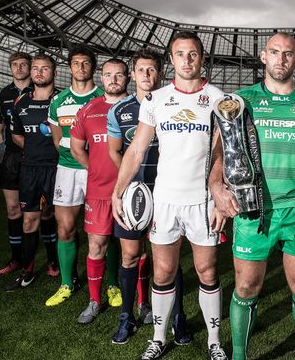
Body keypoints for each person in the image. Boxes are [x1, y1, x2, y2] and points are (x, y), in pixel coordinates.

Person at [209, 32, 295, 360]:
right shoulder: (240, 101)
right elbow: (221, 151)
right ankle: (239, 356)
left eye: (288, 54)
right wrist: (215, 187)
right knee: (246, 287)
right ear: (263, 56)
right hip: (253, 210)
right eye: (275, 52)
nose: (281, 59)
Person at [112, 32, 227, 360]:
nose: (187, 61)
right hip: (164, 200)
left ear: (202, 58)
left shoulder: (218, 98)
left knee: (207, 270)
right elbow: (135, 150)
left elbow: (221, 152)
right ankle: (158, 338)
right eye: (180, 54)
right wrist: (118, 192)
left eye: (193, 54)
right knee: (162, 271)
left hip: (202, 202)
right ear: (171, 60)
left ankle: (214, 342)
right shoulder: (156, 99)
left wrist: (219, 194)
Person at [107, 48, 191, 344]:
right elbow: (116, 151)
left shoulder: (175, 104)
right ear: (132, 74)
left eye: (151, 70)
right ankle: (127, 317)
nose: (145, 74)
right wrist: (128, 187)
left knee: (168, 259)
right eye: (140, 70)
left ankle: (177, 319)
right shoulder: (119, 111)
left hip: (170, 191)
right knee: (130, 255)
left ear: (160, 73)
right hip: (135, 195)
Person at [45, 45, 109, 307]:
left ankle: (113, 284)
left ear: (93, 67)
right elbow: (57, 140)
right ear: (69, 68)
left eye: (85, 63)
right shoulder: (58, 101)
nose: (80, 68)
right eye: (75, 63)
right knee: (65, 228)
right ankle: (67, 283)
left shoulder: (104, 97)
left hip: (99, 172)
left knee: (106, 232)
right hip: (68, 170)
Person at [70, 59, 129, 324]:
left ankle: (141, 302)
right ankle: (94, 300)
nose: (113, 79)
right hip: (98, 191)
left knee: (134, 250)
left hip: (132, 192)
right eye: (108, 75)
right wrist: (94, 168)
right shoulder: (88, 109)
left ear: (128, 78)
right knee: (96, 245)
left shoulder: (141, 108)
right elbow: (76, 147)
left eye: (119, 75)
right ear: (101, 78)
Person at [5, 53, 60, 291]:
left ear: (53, 72)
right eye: (35, 68)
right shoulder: (22, 102)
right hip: (30, 170)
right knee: (29, 222)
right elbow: (17, 135)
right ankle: (27, 271)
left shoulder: (61, 100)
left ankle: (55, 262)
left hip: (58, 168)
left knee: (55, 218)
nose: (38, 72)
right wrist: (33, 149)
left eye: (44, 68)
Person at [0, 51, 33, 276]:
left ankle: (52, 261)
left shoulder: (40, 91)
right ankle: (16, 259)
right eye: (15, 65)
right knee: (14, 209)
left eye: (23, 64)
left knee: (43, 212)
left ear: (29, 67)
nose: (19, 68)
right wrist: (7, 149)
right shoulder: (0, 95)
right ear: (10, 68)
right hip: (11, 160)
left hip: (36, 159)